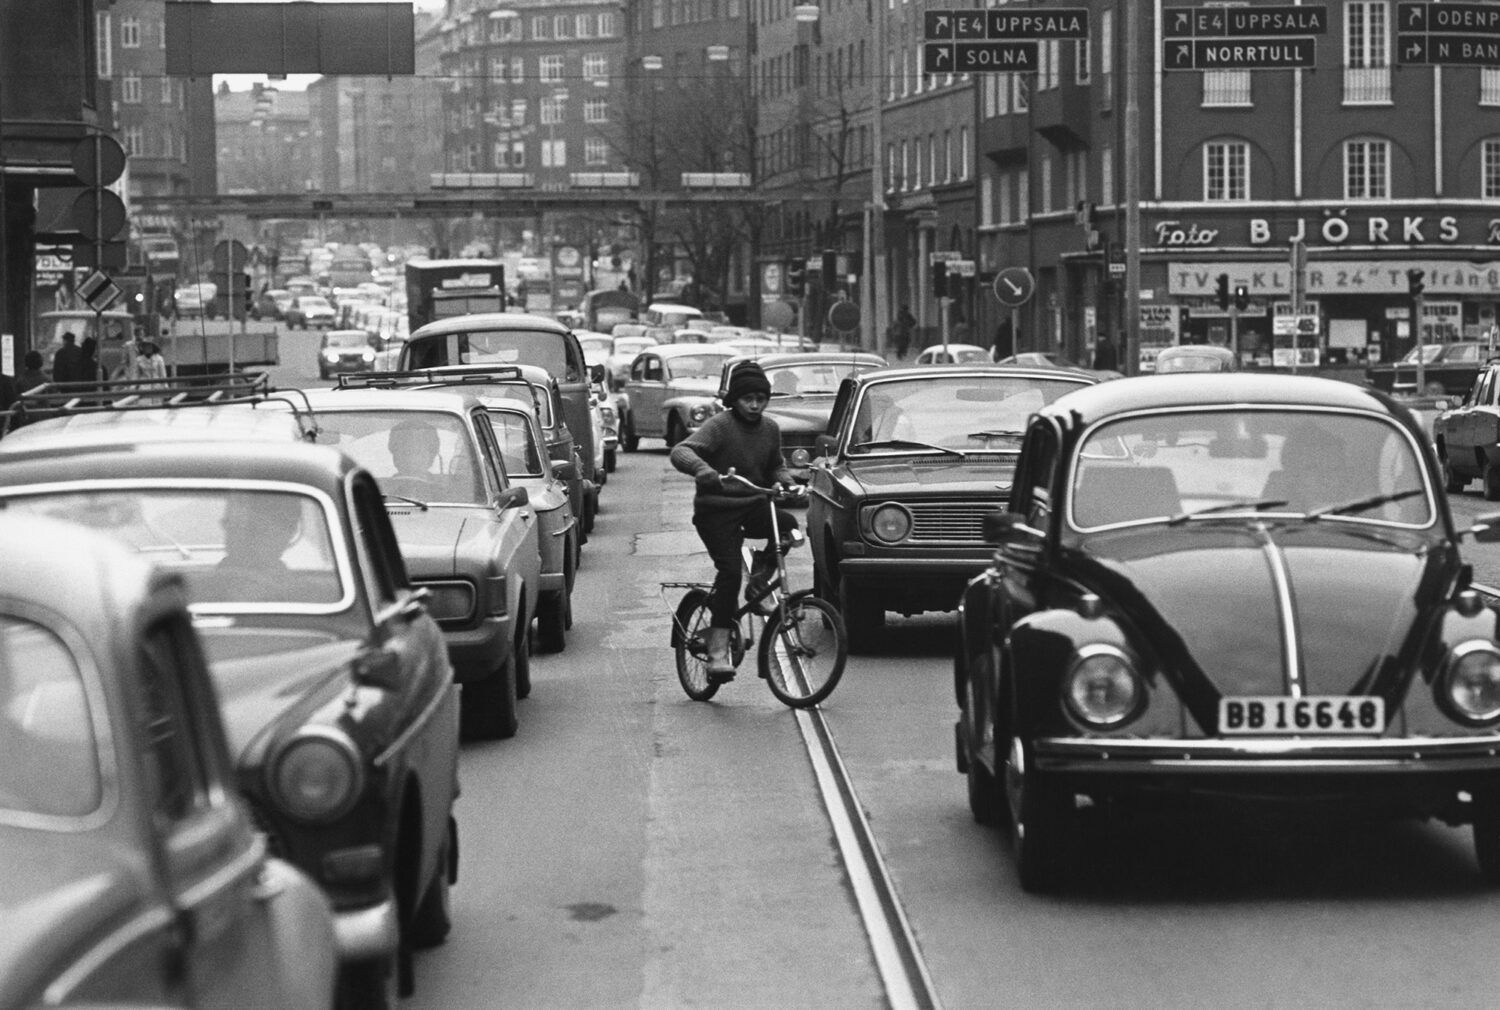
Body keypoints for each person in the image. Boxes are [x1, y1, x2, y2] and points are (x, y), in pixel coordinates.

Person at [670, 360, 799, 681]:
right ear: (735, 400)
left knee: (790, 528)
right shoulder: (720, 426)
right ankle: (716, 650)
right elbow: (682, 451)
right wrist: (702, 469)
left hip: (753, 505)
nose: (755, 405)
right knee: (729, 574)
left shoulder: (769, 428)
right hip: (716, 512)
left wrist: (785, 480)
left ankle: (758, 583)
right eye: (748, 399)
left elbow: (775, 465)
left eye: (761, 398)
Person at [383, 417, 445, 499]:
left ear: (432, 454)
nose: (411, 458)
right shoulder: (379, 492)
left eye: (417, 451)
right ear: (394, 453)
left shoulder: (446, 496)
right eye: (404, 451)